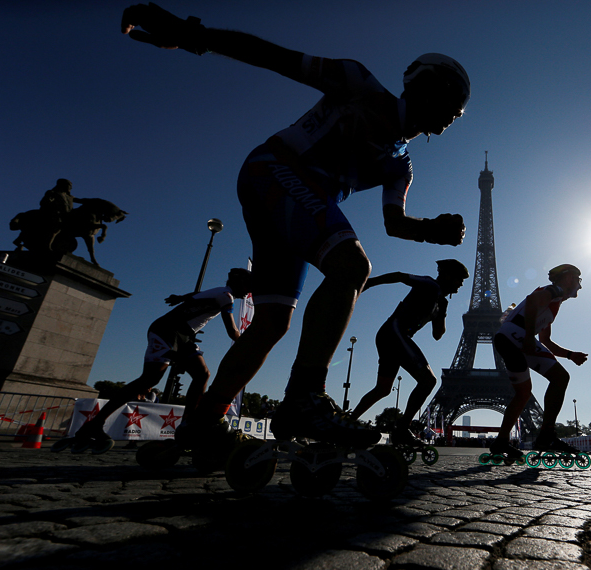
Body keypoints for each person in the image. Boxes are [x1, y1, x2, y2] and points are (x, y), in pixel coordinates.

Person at [121, 4, 468, 452]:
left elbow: (394, 223)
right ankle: (304, 398)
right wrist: (195, 35)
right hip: (278, 170)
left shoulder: (401, 163)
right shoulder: (358, 83)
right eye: (450, 106)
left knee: (271, 323)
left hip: (290, 196)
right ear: (426, 89)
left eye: (457, 115)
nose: (449, 121)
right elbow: (274, 56)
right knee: (351, 267)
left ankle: (200, 425)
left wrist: (431, 230)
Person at [57, 269, 251, 454]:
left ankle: (187, 424)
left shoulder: (219, 291)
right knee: (149, 380)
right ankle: (95, 424)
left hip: (183, 335)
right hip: (167, 331)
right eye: (249, 286)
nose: (250, 291)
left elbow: (196, 294)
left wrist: (179, 298)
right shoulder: (226, 296)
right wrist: (254, 344)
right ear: (240, 283)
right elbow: (232, 331)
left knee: (202, 374)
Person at [351, 260, 469, 446]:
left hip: (392, 335)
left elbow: (437, 335)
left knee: (383, 389)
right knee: (428, 380)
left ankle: (347, 422)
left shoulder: (441, 301)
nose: (461, 284)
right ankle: (402, 429)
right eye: (459, 279)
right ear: (447, 275)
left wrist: (442, 311)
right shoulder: (430, 284)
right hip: (395, 333)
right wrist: (368, 283)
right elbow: (399, 276)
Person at [488, 264, 588, 462]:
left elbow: (546, 342)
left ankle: (501, 441)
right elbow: (533, 301)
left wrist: (570, 355)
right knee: (560, 378)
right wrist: (526, 338)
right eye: (578, 280)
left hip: (509, 337)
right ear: (568, 279)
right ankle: (547, 435)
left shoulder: (554, 303)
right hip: (516, 336)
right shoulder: (554, 291)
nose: (580, 286)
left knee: (523, 393)